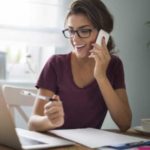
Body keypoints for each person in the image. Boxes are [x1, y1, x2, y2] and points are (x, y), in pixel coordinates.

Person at [28, 0, 132, 132]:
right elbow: (32, 123)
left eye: (84, 31)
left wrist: (101, 76)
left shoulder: (114, 65)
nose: (75, 39)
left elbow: (125, 123)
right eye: (71, 31)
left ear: (103, 35)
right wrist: (49, 121)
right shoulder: (55, 64)